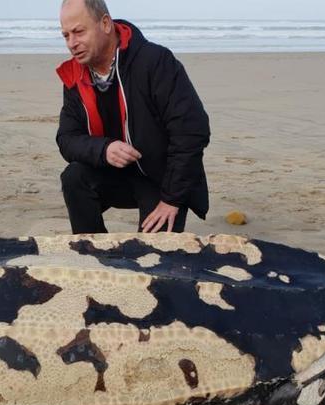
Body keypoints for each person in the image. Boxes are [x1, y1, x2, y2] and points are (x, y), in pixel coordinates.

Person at [56, 0, 211, 234]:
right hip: (115, 175)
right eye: (66, 35)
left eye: (79, 32)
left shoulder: (155, 61)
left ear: (105, 23)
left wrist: (172, 199)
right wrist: (103, 149)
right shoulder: (75, 76)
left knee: (153, 255)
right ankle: (91, 250)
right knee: (74, 177)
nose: (72, 43)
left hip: (161, 179)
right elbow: (67, 139)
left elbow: (192, 130)